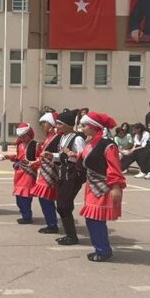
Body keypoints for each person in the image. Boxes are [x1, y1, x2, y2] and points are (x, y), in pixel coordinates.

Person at [77, 112, 127, 262]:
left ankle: (103, 250)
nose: (82, 128)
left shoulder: (107, 145)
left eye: (84, 125)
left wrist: (116, 187)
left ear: (93, 127)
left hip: (103, 186)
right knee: (92, 218)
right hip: (92, 185)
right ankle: (100, 247)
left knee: (95, 219)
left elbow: (114, 167)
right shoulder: (91, 142)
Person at [50, 110, 87, 245]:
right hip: (63, 173)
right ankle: (69, 234)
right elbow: (62, 155)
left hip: (73, 175)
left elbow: (84, 158)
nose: (57, 126)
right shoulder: (62, 138)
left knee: (63, 205)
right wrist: (52, 156)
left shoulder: (77, 139)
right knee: (63, 205)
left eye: (59, 124)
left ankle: (72, 236)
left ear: (67, 124)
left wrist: (71, 154)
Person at [31, 112, 61, 234]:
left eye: (44, 123)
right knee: (44, 199)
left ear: (51, 124)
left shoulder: (57, 137)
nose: (42, 125)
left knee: (47, 199)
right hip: (44, 171)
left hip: (51, 172)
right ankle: (51, 222)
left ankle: (52, 224)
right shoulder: (49, 136)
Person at [4, 122, 39, 224]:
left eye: (24, 136)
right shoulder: (20, 145)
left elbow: (39, 159)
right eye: (21, 136)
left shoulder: (35, 145)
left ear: (29, 134)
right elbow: (18, 157)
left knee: (25, 197)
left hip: (28, 174)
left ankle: (27, 217)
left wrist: (32, 164)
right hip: (19, 173)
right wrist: (9, 157)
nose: (22, 138)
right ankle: (24, 214)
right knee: (19, 198)